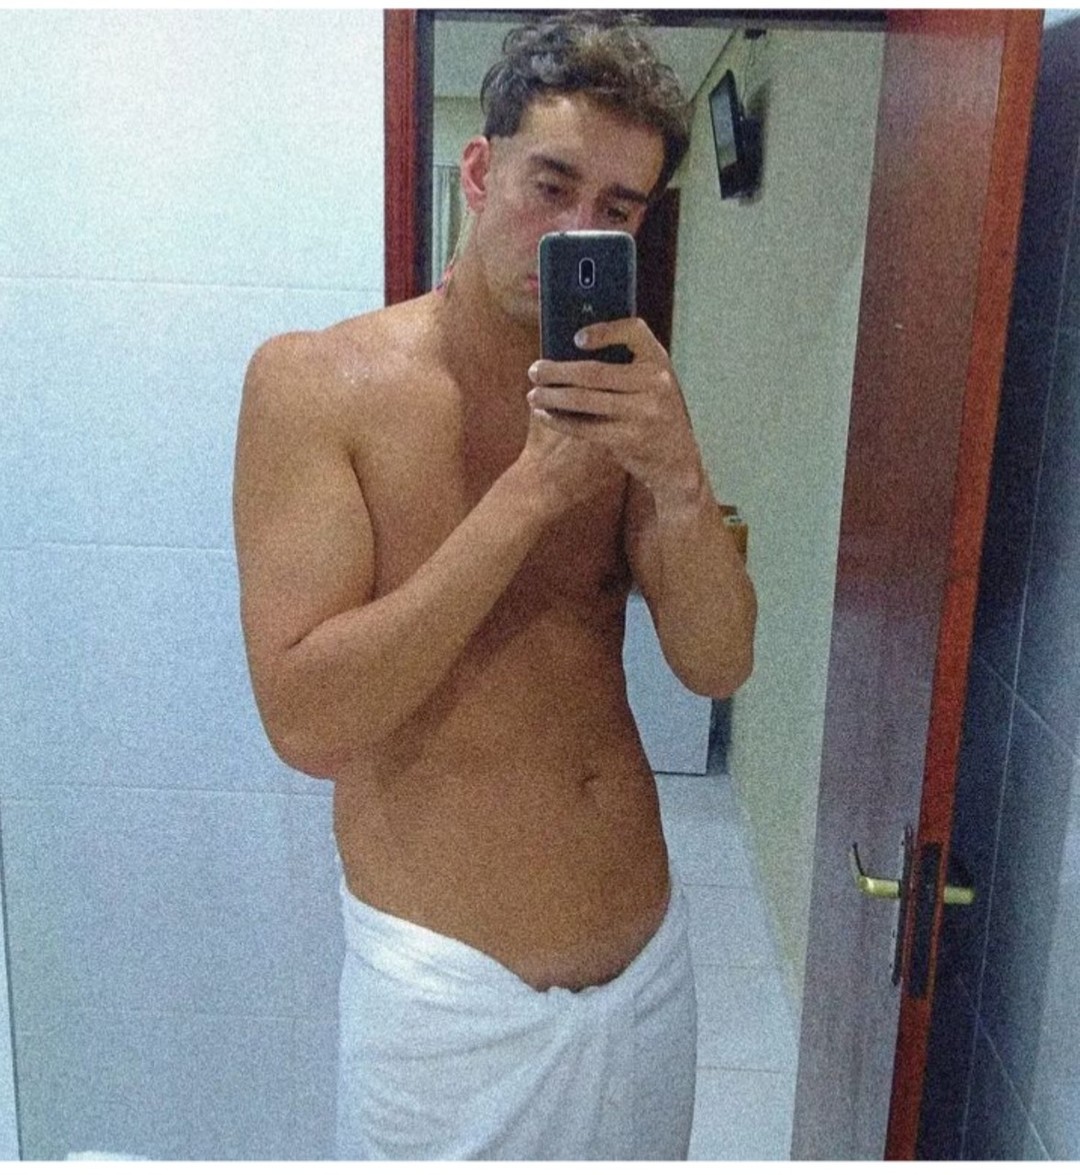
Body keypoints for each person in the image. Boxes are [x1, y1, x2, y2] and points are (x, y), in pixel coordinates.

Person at [233, 11, 756, 1161]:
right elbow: (306, 718)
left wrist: (678, 473)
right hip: (446, 1001)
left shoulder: (628, 399)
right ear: (480, 172)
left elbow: (717, 659)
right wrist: (529, 493)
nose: (576, 230)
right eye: (550, 185)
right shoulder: (317, 386)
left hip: (646, 973)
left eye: (617, 208)